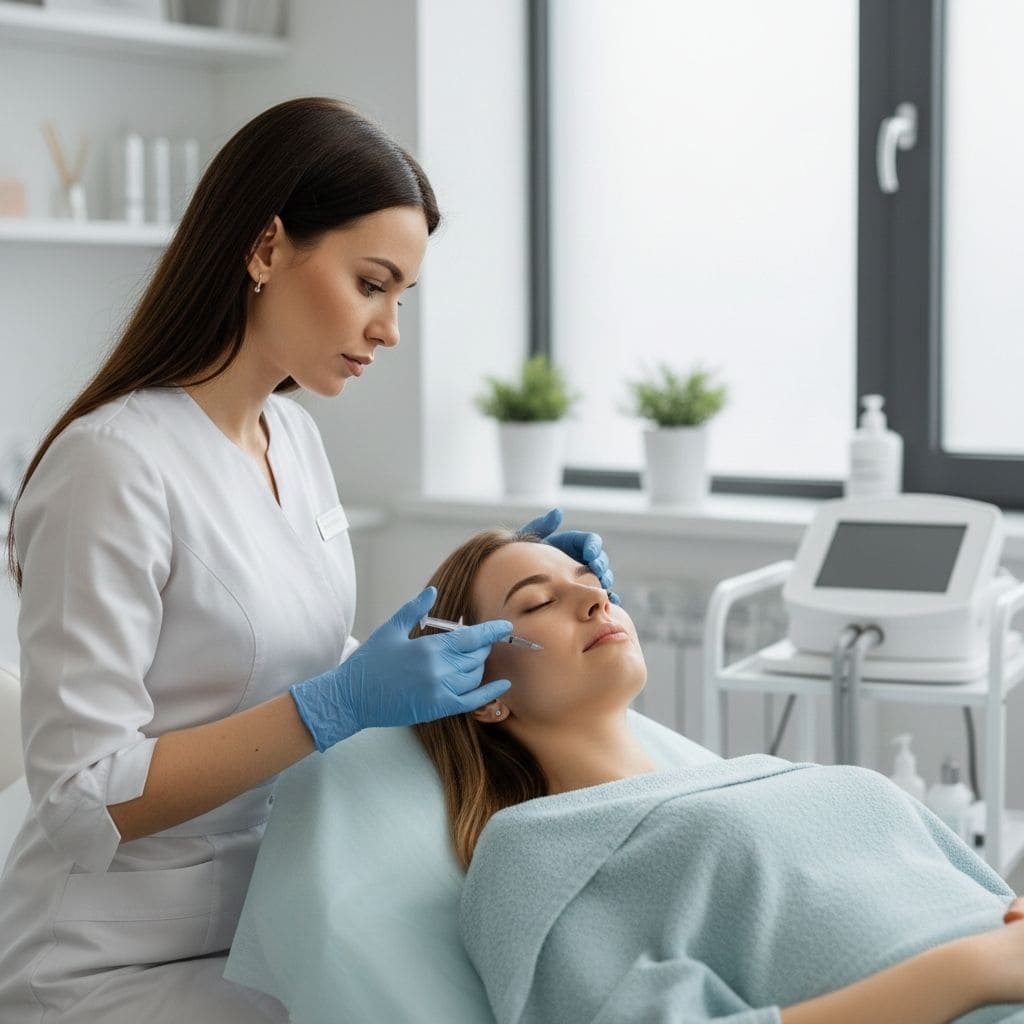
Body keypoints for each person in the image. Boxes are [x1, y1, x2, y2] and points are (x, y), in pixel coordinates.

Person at [0, 98, 615, 1024]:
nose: (389, 330)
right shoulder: (110, 466)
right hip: (114, 958)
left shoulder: (291, 435)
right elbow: (82, 798)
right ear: (264, 249)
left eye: (403, 296)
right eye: (372, 284)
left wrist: (507, 612)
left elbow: (304, 651)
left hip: (277, 910)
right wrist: (336, 707)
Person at [413, 529, 1024, 1024]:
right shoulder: (536, 849)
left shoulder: (771, 776)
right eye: (538, 602)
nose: (597, 601)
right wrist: (969, 973)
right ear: (479, 691)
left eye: (592, 582)